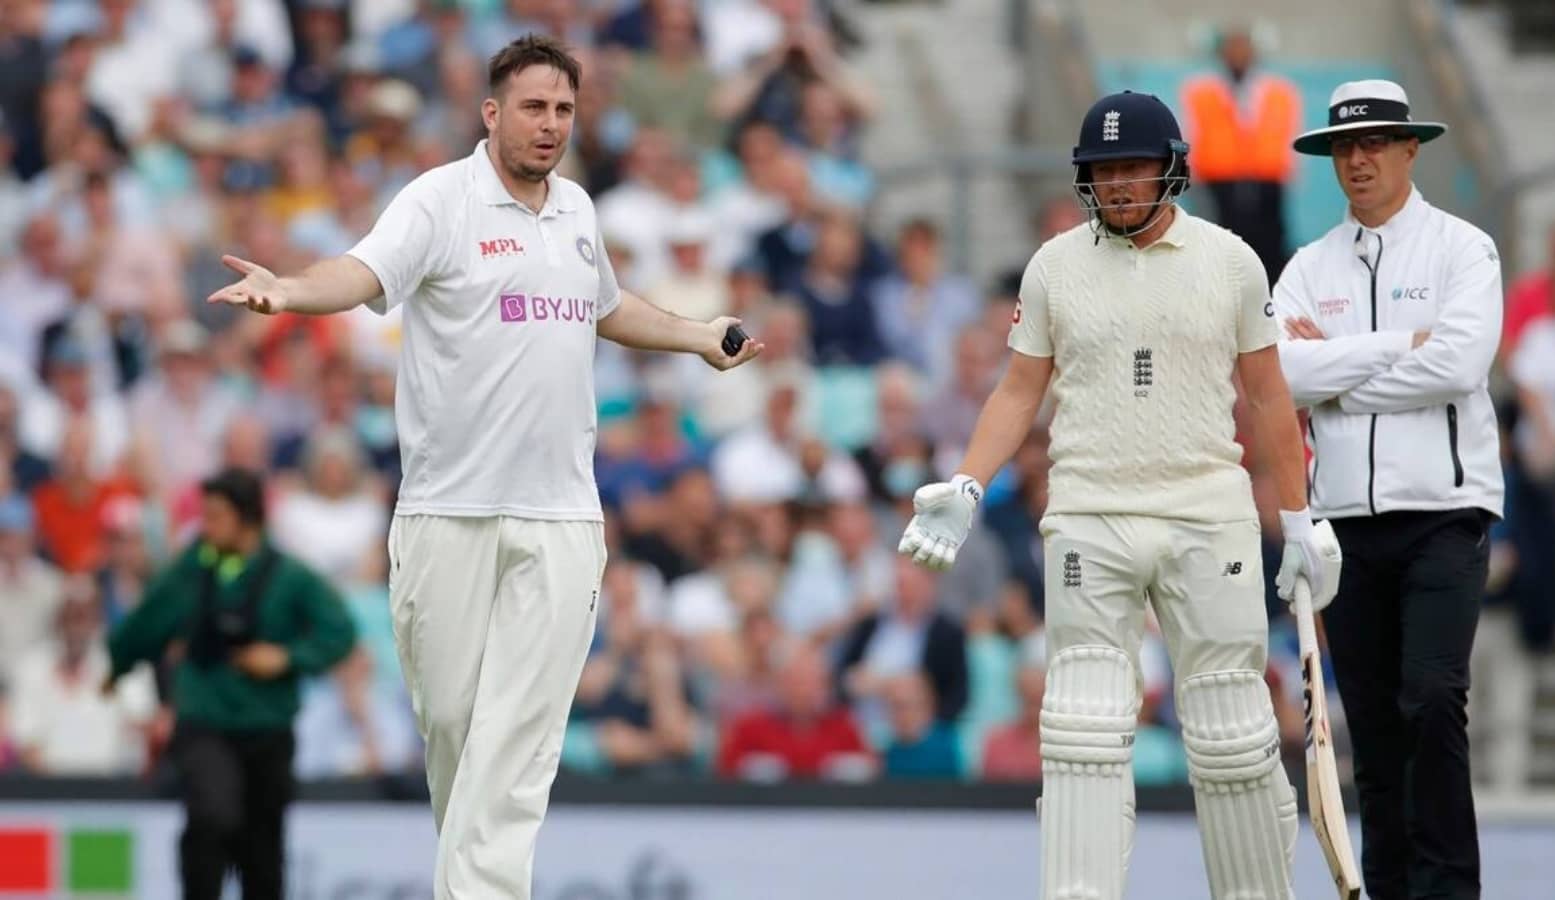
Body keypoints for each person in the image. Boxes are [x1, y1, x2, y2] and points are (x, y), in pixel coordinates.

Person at [204, 35, 762, 899]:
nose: (551, 126)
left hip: (561, 518)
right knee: (458, 738)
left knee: (516, 745)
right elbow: (357, 272)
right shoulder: (439, 200)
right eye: (534, 108)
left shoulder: (577, 211)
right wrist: (291, 291)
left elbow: (608, 308)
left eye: (565, 111)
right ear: (492, 112)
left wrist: (697, 336)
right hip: (444, 512)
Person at [897, 90, 1338, 900]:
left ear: (1171, 168)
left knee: (1233, 731)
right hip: (1089, 513)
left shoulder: (1231, 260)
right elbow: (1017, 390)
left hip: (1208, 513)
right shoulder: (1055, 265)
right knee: (1081, 729)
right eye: (1103, 172)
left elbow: (1271, 397)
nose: (1119, 185)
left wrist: (1299, 516)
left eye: (1134, 167)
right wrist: (969, 479)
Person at [1272, 79, 1504, 900]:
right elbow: (1279, 375)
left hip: (1445, 512)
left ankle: (1448, 891)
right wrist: (1400, 345)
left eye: (1374, 142)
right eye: (1344, 146)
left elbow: (1461, 365)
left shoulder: (1463, 248)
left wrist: (1337, 370)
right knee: (1370, 726)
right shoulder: (1308, 265)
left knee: (1432, 698)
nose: (1358, 158)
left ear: (1411, 148)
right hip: (1344, 525)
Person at [104, 467, 355, 900]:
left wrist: (287, 658)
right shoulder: (194, 567)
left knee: (262, 854)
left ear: (249, 519)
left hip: (267, 727)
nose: (207, 527)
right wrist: (117, 664)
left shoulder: (290, 576)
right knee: (211, 814)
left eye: (217, 516)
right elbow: (149, 620)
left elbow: (339, 632)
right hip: (206, 720)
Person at [1179, 24, 1302, 286]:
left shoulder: (1279, 90)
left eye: (1243, 47)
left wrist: (1289, 171)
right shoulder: (1201, 91)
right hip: (1219, 180)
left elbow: (1289, 131)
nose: (1238, 54)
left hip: (1268, 180)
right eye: (1232, 47)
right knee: (1223, 243)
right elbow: (1192, 131)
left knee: (1270, 244)